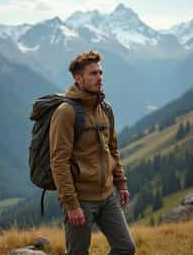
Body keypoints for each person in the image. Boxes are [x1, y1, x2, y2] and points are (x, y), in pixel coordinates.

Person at [49, 50, 136, 255]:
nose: (100, 78)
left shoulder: (105, 109)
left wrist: (121, 184)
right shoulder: (65, 112)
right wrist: (71, 204)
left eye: (100, 72)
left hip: (107, 196)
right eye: (93, 74)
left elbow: (112, 150)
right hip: (80, 199)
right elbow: (58, 162)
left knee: (125, 248)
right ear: (78, 79)